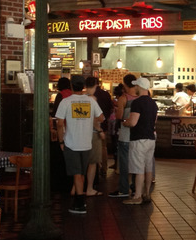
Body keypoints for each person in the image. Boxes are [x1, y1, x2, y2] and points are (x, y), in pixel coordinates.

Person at [56, 75, 104, 214]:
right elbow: (101, 117)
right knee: (81, 173)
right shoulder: (90, 101)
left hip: (71, 142)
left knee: (77, 174)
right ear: (83, 86)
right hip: (86, 142)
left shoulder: (66, 102)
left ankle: (79, 204)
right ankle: (79, 201)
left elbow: (59, 124)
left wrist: (60, 141)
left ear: (71, 86)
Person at [121, 77, 157, 205]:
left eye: (136, 86)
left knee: (138, 168)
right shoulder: (153, 103)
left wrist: (125, 122)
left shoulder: (137, 103)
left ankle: (137, 197)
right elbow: (155, 121)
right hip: (150, 139)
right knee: (148, 168)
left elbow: (133, 122)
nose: (135, 88)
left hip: (139, 139)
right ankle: (146, 193)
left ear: (140, 87)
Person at [109, 74, 138, 198]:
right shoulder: (141, 97)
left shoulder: (123, 98)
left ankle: (123, 189)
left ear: (125, 84)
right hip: (137, 136)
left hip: (125, 135)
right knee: (136, 163)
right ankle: (136, 187)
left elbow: (119, 117)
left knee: (124, 163)